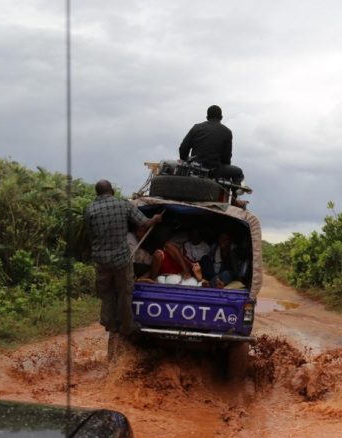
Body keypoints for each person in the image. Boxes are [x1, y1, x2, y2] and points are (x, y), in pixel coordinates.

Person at [85, 180, 161, 337]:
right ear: (112, 191)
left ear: (97, 193)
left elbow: (90, 236)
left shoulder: (89, 209)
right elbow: (145, 224)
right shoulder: (123, 204)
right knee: (124, 292)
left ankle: (109, 323)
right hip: (121, 259)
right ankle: (127, 327)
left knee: (106, 292)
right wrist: (156, 218)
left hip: (101, 259)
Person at [179, 105, 244, 184]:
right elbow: (226, 158)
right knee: (238, 173)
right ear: (221, 117)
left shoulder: (196, 128)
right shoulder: (227, 132)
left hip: (194, 168)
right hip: (215, 171)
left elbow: (183, 149)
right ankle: (233, 193)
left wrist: (187, 162)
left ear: (207, 117)